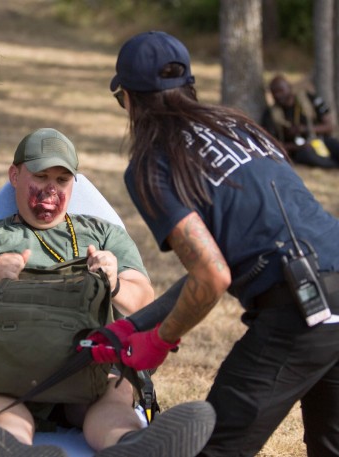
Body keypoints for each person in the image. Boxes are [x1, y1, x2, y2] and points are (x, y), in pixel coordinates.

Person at [99, 30, 339, 456]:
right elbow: (212, 265)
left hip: (301, 305)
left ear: (131, 99)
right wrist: (136, 325)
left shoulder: (153, 161)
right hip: (324, 280)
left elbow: (211, 275)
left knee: (212, 448)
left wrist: (161, 339)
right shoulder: (240, 125)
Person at [0, 127, 216, 457]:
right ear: (15, 175)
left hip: (89, 369)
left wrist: (115, 282)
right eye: (40, 176)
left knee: (114, 392)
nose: (51, 190)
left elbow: (144, 303)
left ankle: (131, 446)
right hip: (5, 371)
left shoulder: (103, 235)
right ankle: (8, 448)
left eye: (62, 180)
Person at [261, 74, 339, 168]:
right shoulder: (271, 114)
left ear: (289, 88)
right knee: (307, 155)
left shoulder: (308, 98)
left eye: (281, 90)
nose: (278, 95)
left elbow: (329, 127)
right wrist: (297, 146)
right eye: (274, 93)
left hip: (319, 141)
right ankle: (334, 166)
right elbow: (271, 144)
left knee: (334, 144)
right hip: (298, 149)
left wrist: (304, 129)